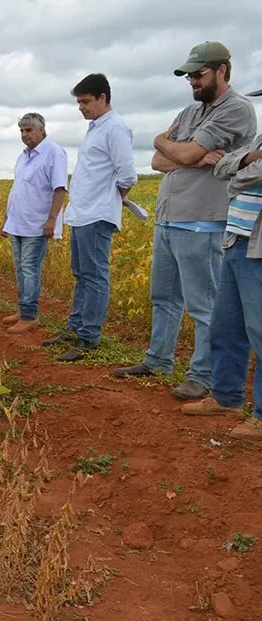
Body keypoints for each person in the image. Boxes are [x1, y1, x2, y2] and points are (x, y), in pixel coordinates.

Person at [113, 42, 257, 400]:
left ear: (222, 70)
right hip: (170, 218)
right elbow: (157, 161)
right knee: (163, 297)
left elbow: (184, 152)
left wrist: (177, 149)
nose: (192, 80)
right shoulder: (190, 113)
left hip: (203, 221)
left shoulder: (237, 109)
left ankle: (204, 375)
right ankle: (158, 358)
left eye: (199, 73)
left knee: (203, 305)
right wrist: (167, 143)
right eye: (189, 74)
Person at [181, 85, 262, 440]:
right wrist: (244, 161)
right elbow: (225, 171)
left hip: (258, 246)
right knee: (226, 325)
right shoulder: (259, 139)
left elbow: (235, 174)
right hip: (235, 238)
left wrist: (239, 166)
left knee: (260, 332)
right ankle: (227, 396)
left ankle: (260, 417)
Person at [43, 74, 138, 361]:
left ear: (103, 98)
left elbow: (127, 175)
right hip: (83, 213)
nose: (81, 108)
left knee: (95, 276)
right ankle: (75, 328)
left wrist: (111, 201)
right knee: (81, 274)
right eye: (78, 103)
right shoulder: (96, 128)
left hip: (97, 214)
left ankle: (88, 337)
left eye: (85, 102)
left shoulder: (116, 128)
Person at [0, 113, 68, 334]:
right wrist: (6, 218)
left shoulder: (54, 153)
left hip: (37, 224)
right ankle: (22, 311)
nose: (24, 135)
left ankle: (30, 316)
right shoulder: (23, 156)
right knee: (20, 269)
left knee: (30, 269)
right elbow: (17, 189)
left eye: (28, 130)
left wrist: (52, 219)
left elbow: (60, 189)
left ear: (41, 130)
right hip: (18, 221)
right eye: (21, 131)